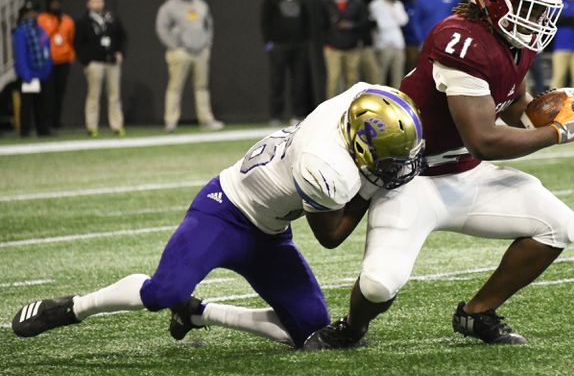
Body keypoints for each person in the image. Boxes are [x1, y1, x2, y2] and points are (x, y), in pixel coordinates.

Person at [305, 0, 574, 350]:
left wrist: (539, 113)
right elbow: (485, 139)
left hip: (465, 174)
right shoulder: (458, 40)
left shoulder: (516, 39)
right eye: (525, 5)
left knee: (561, 225)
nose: (535, 18)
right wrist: (556, 133)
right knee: (377, 285)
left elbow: (510, 101)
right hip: (412, 180)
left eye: (540, 7)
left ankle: (477, 313)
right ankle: (352, 327)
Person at [12, 84, 425, 350]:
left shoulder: (361, 101)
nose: (396, 168)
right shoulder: (324, 167)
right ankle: (72, 307)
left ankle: (198, 312)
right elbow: (331, 237)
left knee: (310, 332)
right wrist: (373, 190)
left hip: (270, 234)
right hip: (223, 212)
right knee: (162, 292)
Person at [156, 0, 224, 133]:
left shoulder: (200, 5)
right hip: (181, 52)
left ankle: (206, 120)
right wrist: (174, 46)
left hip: (200, 52)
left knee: (202, 87)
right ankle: (171, 122)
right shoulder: (169, 6)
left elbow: (209, 25)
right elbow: (161, 28)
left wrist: (207, 44)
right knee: (175, 87)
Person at [261, 0, 311, 125]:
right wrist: (269, 43)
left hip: (298, 46)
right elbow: (265, 22)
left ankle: (298, 114)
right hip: (279, 46)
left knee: (299, 81)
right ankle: (276, 115)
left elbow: (305, 18)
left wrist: (304, 40)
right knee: (277, 81)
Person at [74, 0, 127, 137]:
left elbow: (122, 37)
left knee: (114, 95)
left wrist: (120, 52)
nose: (97, 4)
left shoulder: (112, 19)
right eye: (94, 1)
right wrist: (87, 61)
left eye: (100, 1)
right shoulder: (83, 22)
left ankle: (117, 125)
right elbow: (77, 44)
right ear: (88, 4)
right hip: (95, 63)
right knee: (93, 95)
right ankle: (92, 126)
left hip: (111, 62)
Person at [323, 0, 367, 98]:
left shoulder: (355, 1)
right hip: (333, 47)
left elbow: (364, 22)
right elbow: (322, 25)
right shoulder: (328, 2)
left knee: (351, 81)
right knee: (333, 79)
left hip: (351, 45)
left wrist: (351, 25)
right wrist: (327, 41)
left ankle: (348, 110)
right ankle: (329, 111)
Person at [12, 0, 52, 137]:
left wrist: (47, 69)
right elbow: (20, 54)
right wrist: (25, 74)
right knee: (26, 105)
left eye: (34, 12)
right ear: (24, 15)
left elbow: (46, 49)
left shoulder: (40, 30)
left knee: (42, 104)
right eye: (29, 13)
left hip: (41, 73)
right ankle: (25, 131)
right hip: (28, 74)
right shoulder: (20, 31)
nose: (32, 15)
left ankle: (43, 130)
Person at [37, 0, 75, 130]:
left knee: (60, 92)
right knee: (48, 93)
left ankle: (56, 121)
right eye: (53, 3)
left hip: (63, 61)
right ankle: (46, 122)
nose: (56, 6)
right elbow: (40, 39)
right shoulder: (41, 19)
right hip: (48, 62)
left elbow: (71, 40)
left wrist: (70, 56)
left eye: (58, 3)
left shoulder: (68, 20)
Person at [369, 0, 409, 88]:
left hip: (398, 43)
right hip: (384, 44)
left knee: (398, 74)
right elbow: (381, 24)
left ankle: (395, 100)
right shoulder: (375, 5)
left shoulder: (397, 4)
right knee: (380, 75)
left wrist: (393, 7)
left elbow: (404, 21)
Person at [351, 0, 383, 86]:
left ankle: (375, 99)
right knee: (353, 77)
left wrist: (371, 22)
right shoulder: (353, 2)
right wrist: (369, 22)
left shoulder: (363, 1)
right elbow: (355, 22)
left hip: (365, 44)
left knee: (374, 75)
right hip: (356, 44)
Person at [403, 0, 423, 73]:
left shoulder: (425, 6)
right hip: (411, 43)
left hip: (425, 42)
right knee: (411, 68)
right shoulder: (407, 6)